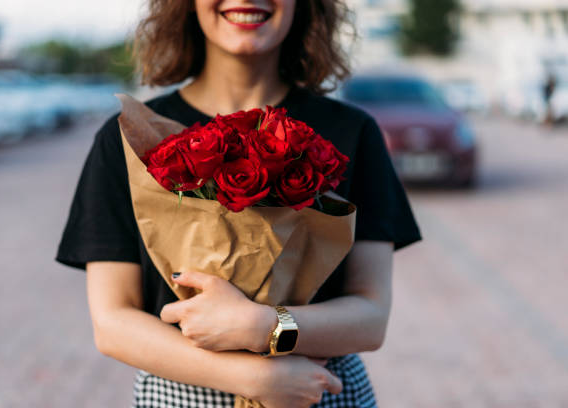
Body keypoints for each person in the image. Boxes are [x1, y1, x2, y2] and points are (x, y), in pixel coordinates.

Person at [56, 1, 422, 407]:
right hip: (182, 391)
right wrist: (252, 377)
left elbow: (371, 318)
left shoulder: (353, 132)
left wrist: (264, 326)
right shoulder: (129, 138)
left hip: (319, 389)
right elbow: (113, 323)